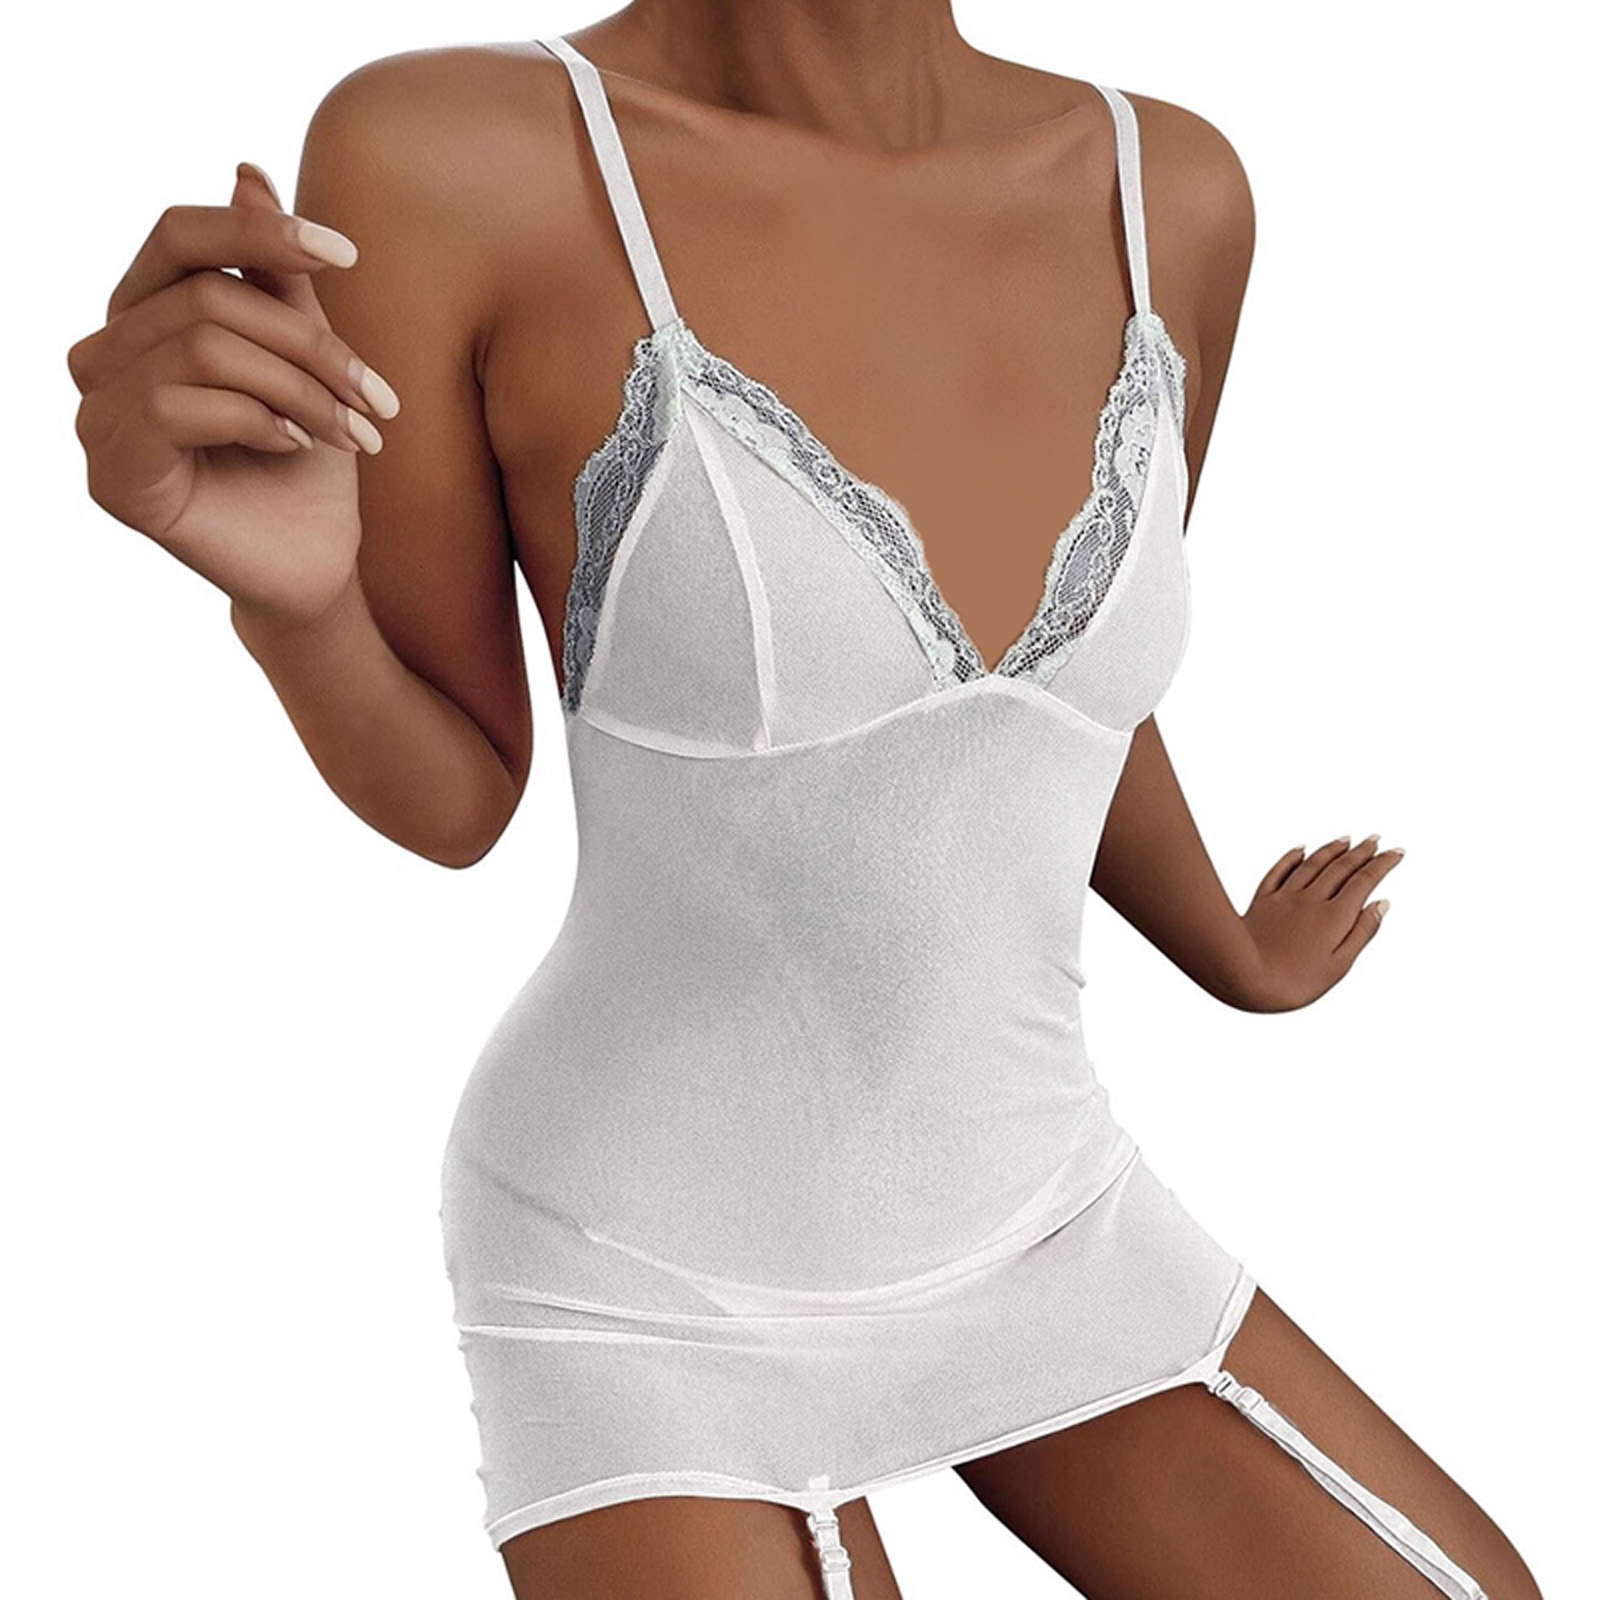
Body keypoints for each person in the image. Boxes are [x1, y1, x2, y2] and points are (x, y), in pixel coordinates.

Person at [66, 4, 1543, 1597]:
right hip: (649, 1267)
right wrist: (294, 608)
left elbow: (1050, 701)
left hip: (1041, 1207)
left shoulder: (1169, 188)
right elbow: (458, 795)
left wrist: (1232, 954)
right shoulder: (452, 158)